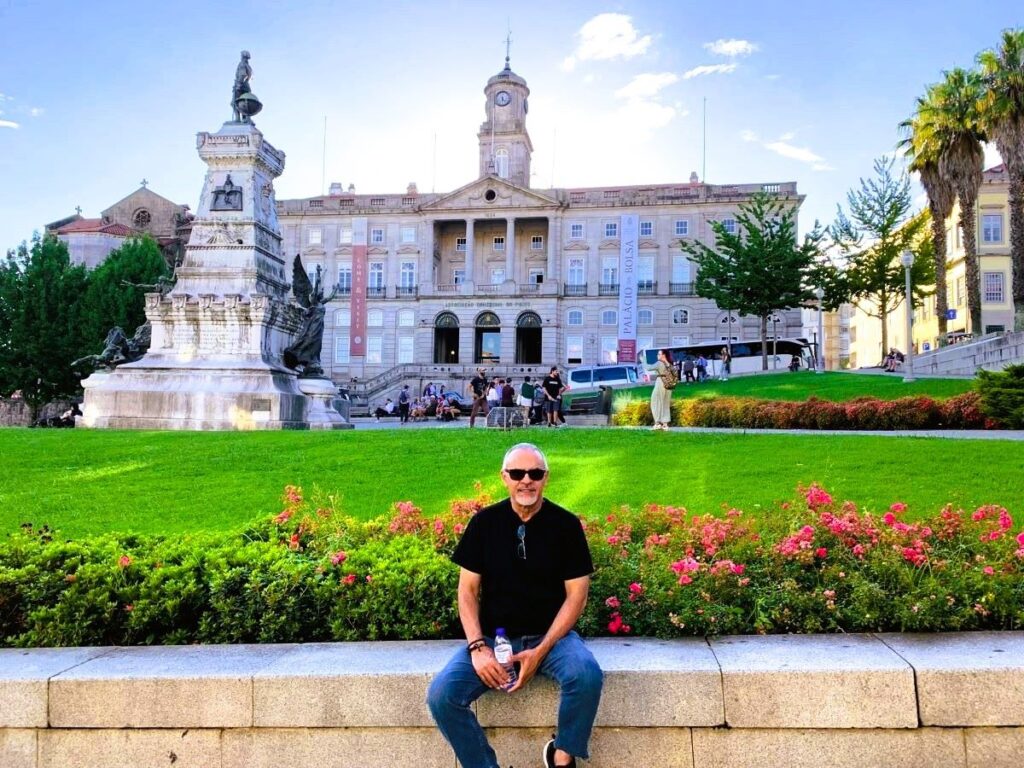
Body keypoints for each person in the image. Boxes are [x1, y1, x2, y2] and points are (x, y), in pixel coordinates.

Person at [427, 443, 602, 768]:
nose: (526, 481)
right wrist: (478, 648)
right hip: (495, 640)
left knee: (586, 675)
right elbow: (466, 591)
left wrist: (542, 649)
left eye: (535, 473)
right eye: (517, 473)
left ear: (545, 478)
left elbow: (577, 594)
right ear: (504, 478)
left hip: (553, 638)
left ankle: (562, 756)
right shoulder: (484, 524)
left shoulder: (565, 525)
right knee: (442, 696)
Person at [643, 348, 674, 430]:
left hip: (661, 381)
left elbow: (648, 367)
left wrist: (643, 360)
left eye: (659, 354)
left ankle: (657, 423)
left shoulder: (660, 363)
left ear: (663, 355)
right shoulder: (669, 363)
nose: (657, 355)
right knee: (665, 402)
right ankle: (665, 424)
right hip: (669, 382)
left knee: (655, 401)